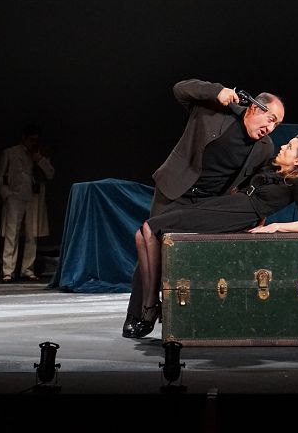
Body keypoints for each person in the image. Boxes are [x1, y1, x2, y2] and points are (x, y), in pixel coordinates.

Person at [122, 79, 286, 338]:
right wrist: (216, 91)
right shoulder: (214, 112)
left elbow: (255, 184)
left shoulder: (264, 148)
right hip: (175, 189)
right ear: (255, 108)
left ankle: (189, 314)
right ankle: (143, 313)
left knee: (190, 257)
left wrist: (260, 218)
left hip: (209, 203)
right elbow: (180, 89)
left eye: (276, 124)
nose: (271, 127)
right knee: (152, 245)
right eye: (271, 119)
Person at [129, 134, 298, 338]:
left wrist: (273, 227)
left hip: (237, 215)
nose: (283, 146)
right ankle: (151, 304)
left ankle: (150, 306)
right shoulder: (272, 169)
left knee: (150, 227)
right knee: (143, 233)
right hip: (229, 205)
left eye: (290, 147)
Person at [0, 124, 55, 283]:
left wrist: (39, 159)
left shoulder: (40, 154)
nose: (34, 143)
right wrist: (7, 195)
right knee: (12, 234)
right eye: (31, 139)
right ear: (24, 138)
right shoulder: (10, 152)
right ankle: (8, 270)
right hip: (15, 197)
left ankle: (27, 269)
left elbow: (50, 174)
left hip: (34, 198)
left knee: (32, 235)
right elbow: (1, 176)